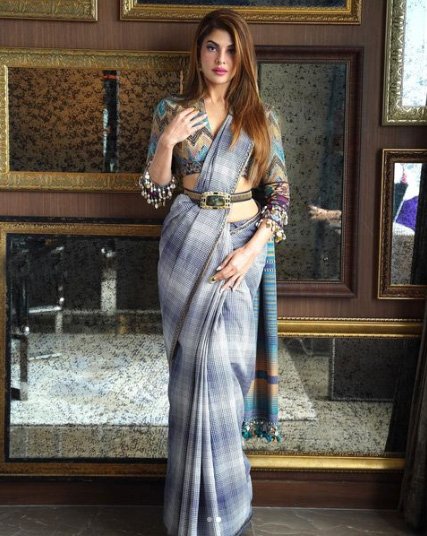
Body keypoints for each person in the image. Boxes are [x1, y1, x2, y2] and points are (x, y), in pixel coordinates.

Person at [139, 8, 289, 535]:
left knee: (224, 383)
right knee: (190, 377)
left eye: (230, 50)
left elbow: (280, 198)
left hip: (241, 254)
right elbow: (155, 191)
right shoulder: (172, 111)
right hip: (186, 246)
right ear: (198, 52)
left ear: (242, 57)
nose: (221, 59)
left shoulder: (260, 118)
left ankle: (227, 510)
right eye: (212, 47)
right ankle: (188, 516)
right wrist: (167, 140)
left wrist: (250, 254)